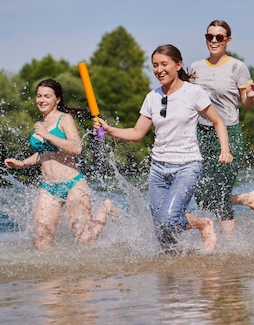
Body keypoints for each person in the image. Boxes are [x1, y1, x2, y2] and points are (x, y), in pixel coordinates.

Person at [95, 44, 233, 252]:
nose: (158, 70)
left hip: (187, 166)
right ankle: (175, 277)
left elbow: (218, 122)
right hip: (158, 169)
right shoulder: (152, 97)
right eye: (155, 65)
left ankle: (203, 223)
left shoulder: (194, 92)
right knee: (163, 234)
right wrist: (109, 129)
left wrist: (225, 149)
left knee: (169, 220)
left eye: (164, 64)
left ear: (178, 65)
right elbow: (136, 133)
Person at [4, 79, 117, 250]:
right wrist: (21, 163)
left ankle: (104, 210)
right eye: (39, 96)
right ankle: (50, 277)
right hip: (48, 187)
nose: (42, 100)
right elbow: (44, 153)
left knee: (84, 239)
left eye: (47, 96)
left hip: (73, 183)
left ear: (57, 99)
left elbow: (76, 148)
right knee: (41, 243)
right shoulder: (40, 124)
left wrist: (48, 136)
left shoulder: (64, 119)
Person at [189, 20, 254, 235]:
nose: (214, 41)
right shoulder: (195, 67)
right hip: (201, 134)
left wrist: (250, 97)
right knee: (203, 198)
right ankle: (247, 199)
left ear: (228, 40)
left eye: (219, 37)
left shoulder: (237, 67)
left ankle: (229, 249)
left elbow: (247, 105)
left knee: (221, 194)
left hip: (229, 134)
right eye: (210, 36)